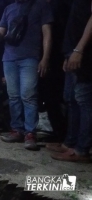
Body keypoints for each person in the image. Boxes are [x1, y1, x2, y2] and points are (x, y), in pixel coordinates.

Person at [0, 0, 53, 150]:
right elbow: (1, 31)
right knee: (13, 96)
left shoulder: (41, 5)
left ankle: (30, 133)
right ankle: (17, 130)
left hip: (30, 57)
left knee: (28, 96)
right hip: (9, 58)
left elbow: (47, 33)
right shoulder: (9, 9)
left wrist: (45, 58)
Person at [47, 0, 92, 163]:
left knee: (83, 100)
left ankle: (81, 150)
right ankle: (70, 143)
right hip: (72, 51)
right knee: (71, 99)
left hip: (85, 53)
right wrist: (69, 53)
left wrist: (79, 50)